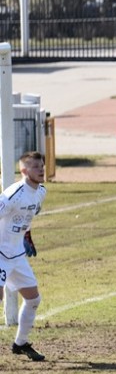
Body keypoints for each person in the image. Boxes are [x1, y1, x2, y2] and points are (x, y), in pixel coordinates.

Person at [0, 151, 48, 362]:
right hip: (1, 253)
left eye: (42, 165)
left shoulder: (41, 192)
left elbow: (26, 217)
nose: (41, 169)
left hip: (17, 255)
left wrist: (27, 236)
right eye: (35, 166)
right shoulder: (13, 194)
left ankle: (20, 344)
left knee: (33, 299)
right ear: (24, 170)